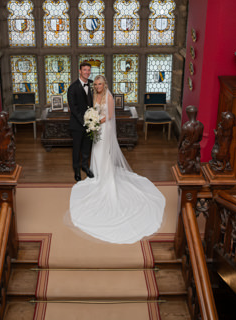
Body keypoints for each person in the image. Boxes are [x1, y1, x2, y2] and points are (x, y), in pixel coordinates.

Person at [69, 75, 165, 244]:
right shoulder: (94, 95)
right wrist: (92, 120)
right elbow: (92, 110)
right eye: (96, 84)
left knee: (103, 151)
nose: (98, 86)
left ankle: (106, 178)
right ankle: (97, 175)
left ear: (104, 84)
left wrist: (97, 121)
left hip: (104, 128)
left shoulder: (109, 96)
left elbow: (111, 115)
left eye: (100, 84)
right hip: (97, 127)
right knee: (96, 152)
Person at [67, 61, 94, 181]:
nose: (87, 72)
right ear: (80, 71)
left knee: (87, 147)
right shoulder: (72, 88)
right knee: (77, 148)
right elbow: (74, 108)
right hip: (77, 124)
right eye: (85, 70)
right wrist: (85, 121)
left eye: (89, 70)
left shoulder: (93, 84)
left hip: (91, 124)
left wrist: (93, 120)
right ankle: (76, 169)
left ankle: (85, 167)